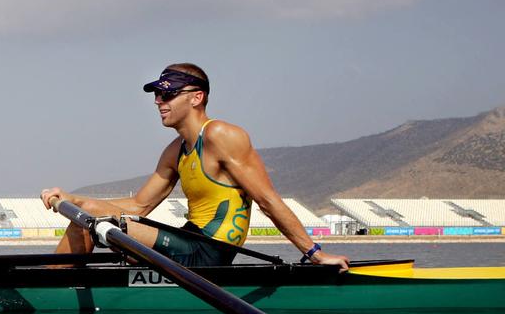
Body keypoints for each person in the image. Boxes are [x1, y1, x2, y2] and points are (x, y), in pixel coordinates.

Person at [41, 62, 349, 270]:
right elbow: (138, 205)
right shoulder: (175, 150)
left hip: (210, 253)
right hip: (188, 242)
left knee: (102, 224)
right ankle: (57, 285)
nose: (159, 101)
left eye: (169, 93)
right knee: (88, 218)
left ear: (196, 97)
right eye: (158, 94)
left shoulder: (222, 135)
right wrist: (76, 199)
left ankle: (50, 289)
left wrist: (314, 254)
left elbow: (268, 200)